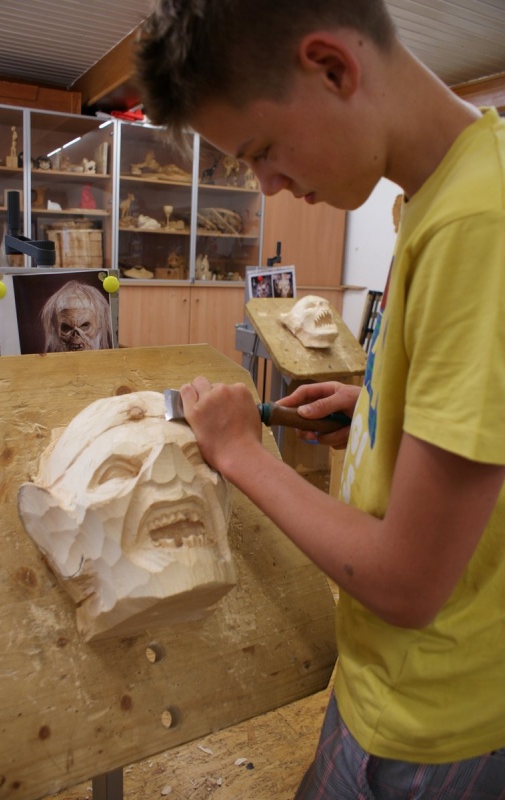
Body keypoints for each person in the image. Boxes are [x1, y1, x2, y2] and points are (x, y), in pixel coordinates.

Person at [136, 2, 505, 797]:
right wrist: (377, 412)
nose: (269, 184)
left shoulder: (479, 226)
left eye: (262, 151)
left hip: (435, 720)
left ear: (333, 68)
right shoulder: (443, 193)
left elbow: (407, 582)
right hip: (387, 680)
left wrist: (243, 454)